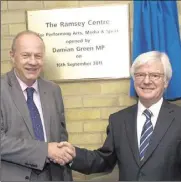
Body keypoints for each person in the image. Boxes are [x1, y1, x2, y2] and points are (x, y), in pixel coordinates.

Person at [58, 51, 181, 180]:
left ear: (166, 81)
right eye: (140, 75)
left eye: (155, 75)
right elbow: (104, 160)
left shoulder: (178, 118)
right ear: (134, 80)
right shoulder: (118, 120)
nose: (146, 81)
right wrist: (74, 155)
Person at [1, 30, 75, 181]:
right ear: (12, 56)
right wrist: (45, 151)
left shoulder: (53, 90)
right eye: (26, 55)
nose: (33, 62)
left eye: (38, 56)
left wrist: (65, 152)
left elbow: (61, 135)